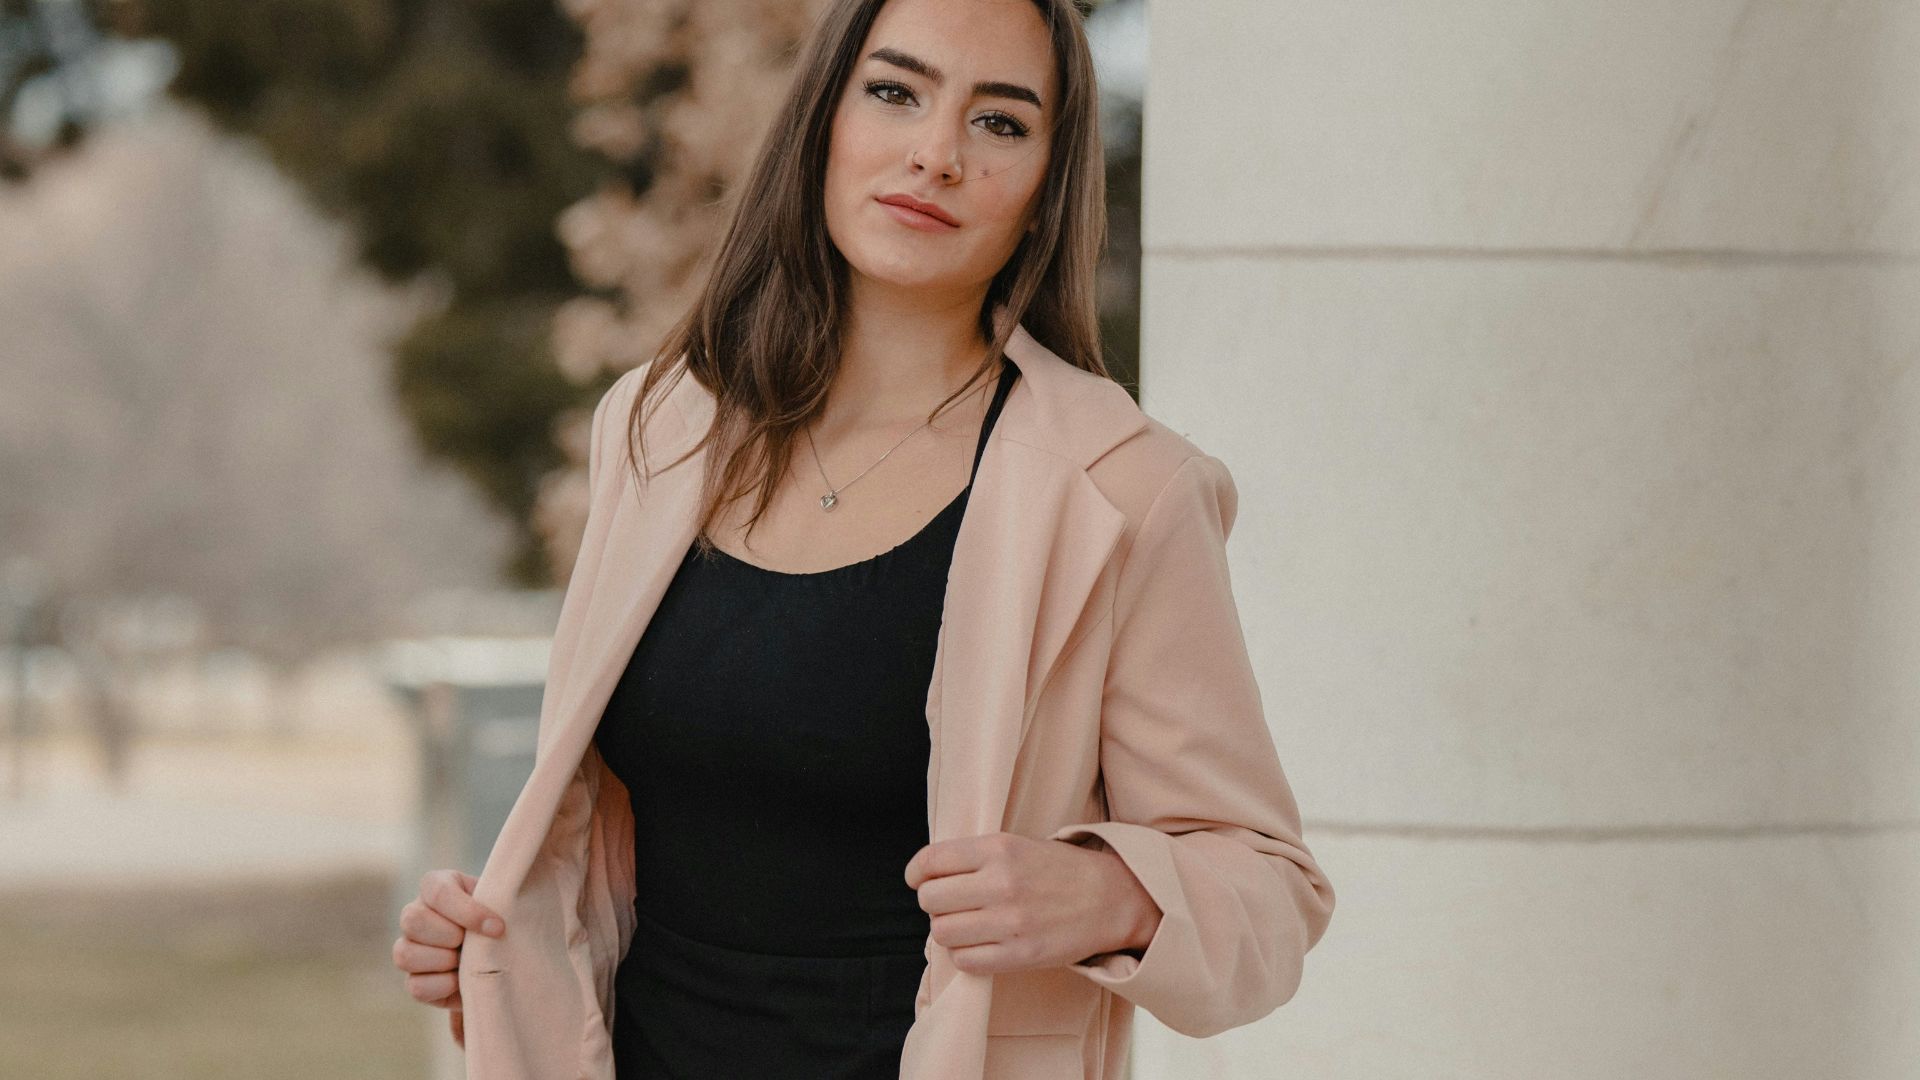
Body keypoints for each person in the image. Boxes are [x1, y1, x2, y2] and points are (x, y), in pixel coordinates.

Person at [391, 0, 1336, 1077]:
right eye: (895, 92)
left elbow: (1269, 891)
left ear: (1044, 191)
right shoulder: (656, 428)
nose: (935, 155)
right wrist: (500, 944)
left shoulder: (1123, 490)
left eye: (1001, 123)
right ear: (821, 126)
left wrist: (1110, 893)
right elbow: (615, 845)